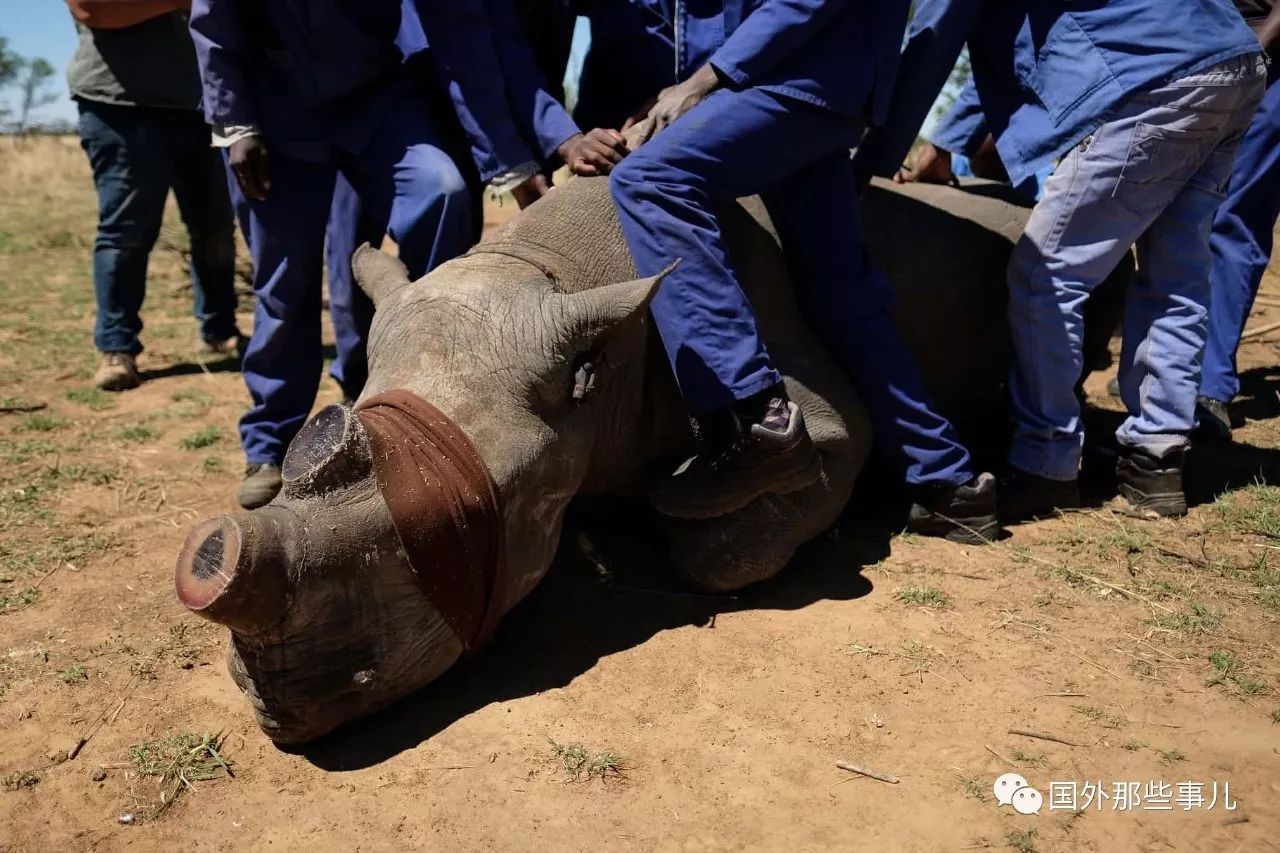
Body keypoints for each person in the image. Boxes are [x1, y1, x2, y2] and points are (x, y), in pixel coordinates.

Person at [608, 0, 999, 543]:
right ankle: (946, 483)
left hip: (795, 77)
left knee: (651, 183)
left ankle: (755, 423)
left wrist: (702, 81)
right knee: (841, 292)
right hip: (819, 83)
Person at [859, 0, 1265, 521]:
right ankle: (1156, 459)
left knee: (1045, 273)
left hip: (1154, 76)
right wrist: (947, 142)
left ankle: (1043, 462)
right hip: (1230, 58)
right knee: (1175, 274)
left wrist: (868, 167)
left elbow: (935, 36)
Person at [190, 0, 475, 509]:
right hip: (275, 111)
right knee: (285, 283)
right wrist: (236, 124)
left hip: (375, 100)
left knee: (441, 192)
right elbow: (212, 24)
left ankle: (424, 397)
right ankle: (271, 443)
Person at [65, 0, 241, 393]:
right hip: (120, 106)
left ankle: (220, 329)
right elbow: (91, 9)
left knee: (215, 227)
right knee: (126, 233)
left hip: (202, 101)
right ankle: (117, 346)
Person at [1196, 3, 1280, 441]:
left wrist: (1255, 57)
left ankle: (1208, 387)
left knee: (1233, 219)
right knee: (1182, 217)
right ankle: (1171, 370)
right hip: (1205, 56)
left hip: (1264, 59)